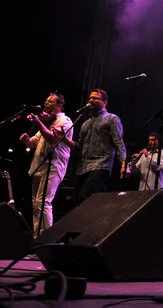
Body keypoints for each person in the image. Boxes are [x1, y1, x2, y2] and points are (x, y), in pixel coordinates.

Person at [19, 93, 73, 237]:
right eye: (46, 101)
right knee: (36, 204)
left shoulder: (65, 121)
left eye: (50, 101)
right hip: (39, 165)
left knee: (44, 203)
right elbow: (34, 143)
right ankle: (37, 238)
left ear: (59, 105)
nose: (46, 103)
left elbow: (53, 140)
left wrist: (38, 122)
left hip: (54, 165)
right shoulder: (47, 121)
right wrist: (26, 141)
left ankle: (46, 239)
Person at [60, 88, 127, 204]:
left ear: (104, 102)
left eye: (95, 98)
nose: (91, 100)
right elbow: (79, 147)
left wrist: (124, 164)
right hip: (82, 168)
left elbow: (119, 142)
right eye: (90, 98)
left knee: (85, 197)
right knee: (76, 202)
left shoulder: (112, 119)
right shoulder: (85, 123)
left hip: (100, 165)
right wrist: (65, 140)